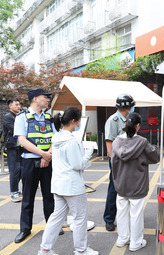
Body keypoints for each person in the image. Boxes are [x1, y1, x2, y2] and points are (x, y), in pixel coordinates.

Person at [38, 107, 98, 255]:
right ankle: (81, 250)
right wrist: (89, 152)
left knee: (56, 218)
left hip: (58, 184)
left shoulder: (56, 137)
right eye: (78, 120)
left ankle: (45, 250)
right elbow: (78, 165)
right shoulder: (71, 140)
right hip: (72, 185)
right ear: (73, 121)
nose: (79, 123)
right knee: (79, 218)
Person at [13, 88, 56, 243]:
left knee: (49, 197)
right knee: (28, 197)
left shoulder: (49, 118)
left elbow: (54, 139)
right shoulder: (22, 117)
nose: (48, 99)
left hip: (48, 161)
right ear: (36, 99)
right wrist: (43, 154)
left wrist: (48, 155)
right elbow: (22, 140)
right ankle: (25, 229)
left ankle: (52, 227)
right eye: (46, 97)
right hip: (30, 162)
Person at [112, 112, 159, 251]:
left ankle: (122, 239)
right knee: (136, 214)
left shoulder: (116, 142)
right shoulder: (142, 142)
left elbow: (113, 161)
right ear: (138, 125)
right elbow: (155, 157)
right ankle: (135, 242)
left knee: (121, 213)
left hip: (120, 183)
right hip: (137, 184)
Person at [103, 93, 135, 231]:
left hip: (128, 160)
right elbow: (109, 142)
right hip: (117, 160)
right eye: (131, 106)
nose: (132, 108)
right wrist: (113, 159)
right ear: (126, 107)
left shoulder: (129, 120)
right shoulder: (113, 120)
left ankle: (125, 216)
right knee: (114, 189)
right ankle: (109, 219)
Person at [3, 97, 22, 202]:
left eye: (19, 104)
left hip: (21, 147)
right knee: (14, 170)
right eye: (16, 104)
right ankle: (13, 192)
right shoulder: (8, 117)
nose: (18, 106)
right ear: (10, 106)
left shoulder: (19, 116)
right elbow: (16, 130)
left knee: (20, 170)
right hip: (12, 147)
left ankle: (16, 189)